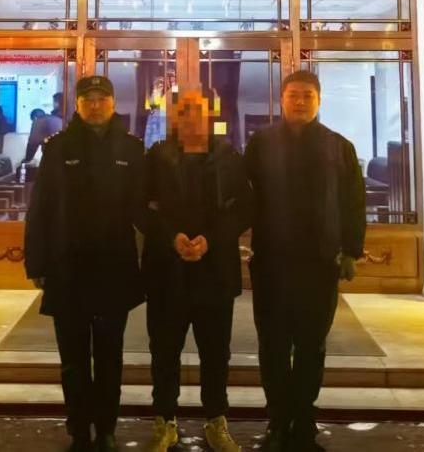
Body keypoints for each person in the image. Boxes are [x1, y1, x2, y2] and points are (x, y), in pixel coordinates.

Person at [25, 75, 147, 452]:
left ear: (113, 103)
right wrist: (37, 263)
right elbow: (40, 208)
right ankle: (79, 430)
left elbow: (144, 210)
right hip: (68, 268)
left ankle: (106, 428)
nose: (95, 106)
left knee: (110, 356)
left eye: (101, 99)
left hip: (114, 268)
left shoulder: (132, 149)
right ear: (77, 105)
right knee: (73, 359)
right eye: (88, 100)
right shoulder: (58, 148)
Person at [245, 70, 365, 451]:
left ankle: (304, 415)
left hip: (319, 263)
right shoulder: (261, 144)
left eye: (307, 95)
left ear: (319, 100)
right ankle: (278, 418)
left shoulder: (338, 147)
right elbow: (243, 196)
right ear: (281, 99)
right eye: (293, 95)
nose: (300, 101)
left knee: (312, 343)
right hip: (272, 263)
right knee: (273, 344)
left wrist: (351, 250)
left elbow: (353, 202)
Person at [142, 88, 251, 452]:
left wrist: (211, 239)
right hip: (166, 272)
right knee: (164, 352)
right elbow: (138, 207)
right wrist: (171, 237)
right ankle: (165, 421)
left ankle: (216, 420)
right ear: (173, 117)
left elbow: (244, 208)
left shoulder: (228, 157)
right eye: (182, 110)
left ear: (210, 113)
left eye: (196, 109)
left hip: (215, 272)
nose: (190, 117)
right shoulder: (156, 157)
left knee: (216, 353)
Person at [23, 98, 64, 171]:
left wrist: (26, 160)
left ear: (34, 118)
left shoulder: (39, 121)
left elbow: (32, 144)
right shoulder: (59, 118)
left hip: (54, 158)